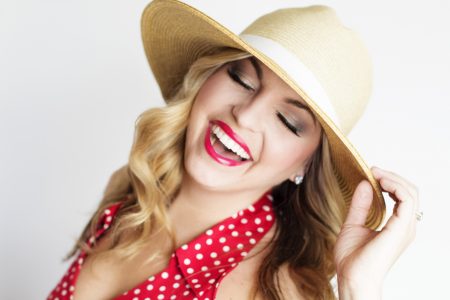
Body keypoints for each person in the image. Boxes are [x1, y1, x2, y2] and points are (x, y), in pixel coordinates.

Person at [47, 0, 421, 299]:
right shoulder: (131, 199)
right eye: (241, 78)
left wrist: (360, 289)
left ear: (305, 164)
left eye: (288, 121)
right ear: (206, 76)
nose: (245, 115)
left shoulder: (268, 289)